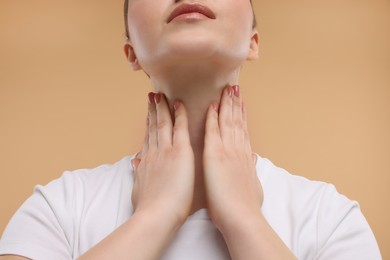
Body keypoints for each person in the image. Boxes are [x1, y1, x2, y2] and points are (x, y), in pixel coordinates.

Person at [0, 0, 382, 259]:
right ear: (131, 51)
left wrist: (242, 217)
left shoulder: (330, 216)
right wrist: (156, 215)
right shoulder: (59, 207)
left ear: (253, 42)